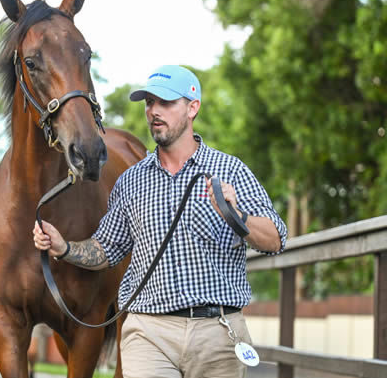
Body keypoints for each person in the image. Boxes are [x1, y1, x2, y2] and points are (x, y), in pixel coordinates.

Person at [33, 65, 288, 378]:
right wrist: (65, 247)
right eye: (149, 103)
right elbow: (107, 248)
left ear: (193, 107)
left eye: (165, 103)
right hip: (147, 331)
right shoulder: (130, 181)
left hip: (217, 332)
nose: (154, 111)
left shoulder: (230, 170)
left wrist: (237, 215)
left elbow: (276, 239)